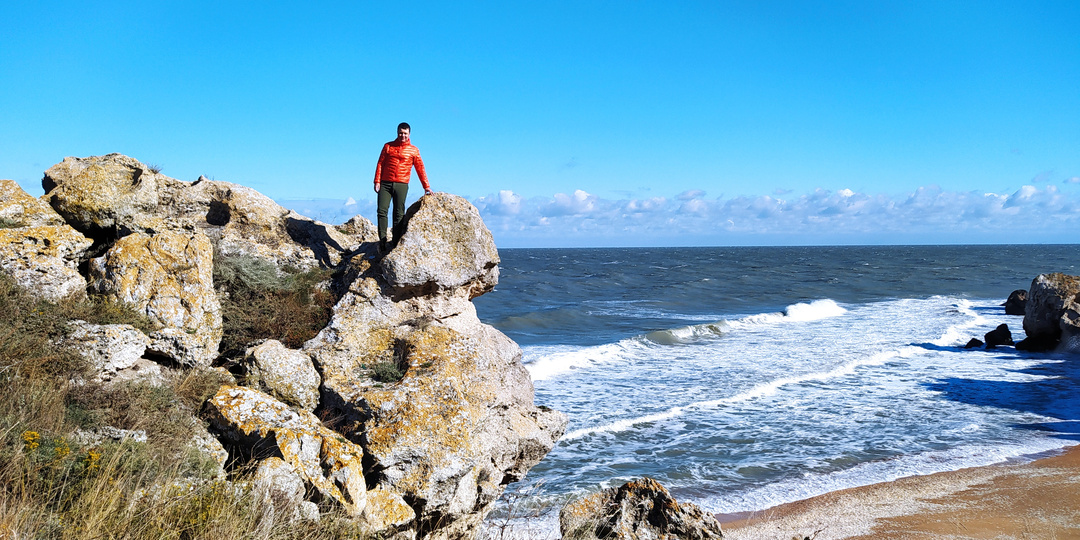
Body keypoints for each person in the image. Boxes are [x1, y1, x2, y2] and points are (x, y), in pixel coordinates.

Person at [374, 122, 432, 251]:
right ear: (397, 133)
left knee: (399, 213)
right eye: (400, 133)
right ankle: (382, 241)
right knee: (382, 211)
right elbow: (380, 164)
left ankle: (395, 242)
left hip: (402, 183)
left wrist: (426, 186)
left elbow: (420, 168)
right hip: (385, 183)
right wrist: (377, 181)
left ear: (409, 134)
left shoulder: (414, 150)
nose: (403, 136)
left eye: (405, 133)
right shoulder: (388, 146)